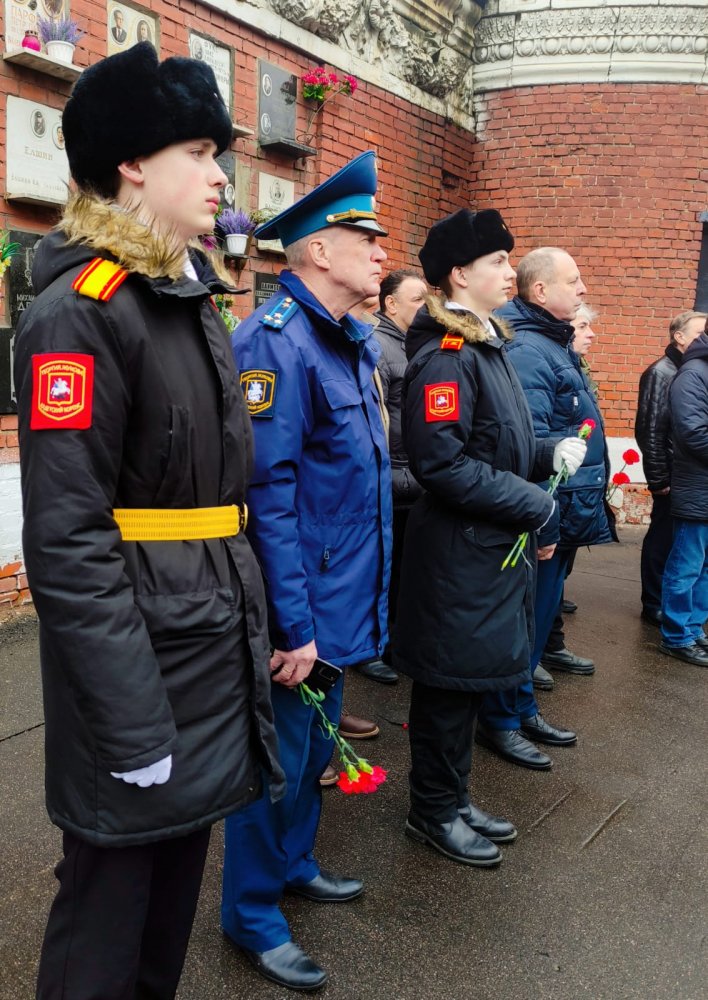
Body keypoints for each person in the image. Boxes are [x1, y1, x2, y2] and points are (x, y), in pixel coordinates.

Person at [13, 42, 283, 1000]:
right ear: (132, 163)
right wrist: (130, 722)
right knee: (105, 928)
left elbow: (215, 503)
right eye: (199, 153)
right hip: (143, 666)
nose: (222, 177)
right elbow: (69, 539)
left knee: (164, 926)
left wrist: (259, 629)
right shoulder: (83, 312)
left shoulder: (182, 291)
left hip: (204, 641)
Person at [221, 151, 392, 992]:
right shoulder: (275, 340)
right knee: (278, 760)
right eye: (366, 238)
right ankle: (251, 914)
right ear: (319, 250)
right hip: (304, 605)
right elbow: (267, 497)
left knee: (316, 747)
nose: (382, 252)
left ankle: (293, 865)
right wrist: (291, 625)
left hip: (339, 594)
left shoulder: (343, 338)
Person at [393, 208, 586, 866]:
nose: (510, 271)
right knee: (447, 688)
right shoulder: (447, 357)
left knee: (468, 683)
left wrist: (548, 452)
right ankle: (432, 809)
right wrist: (532, 500)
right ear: (459, 274)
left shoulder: (485, 344)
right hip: (458, 552)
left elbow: (498, 442)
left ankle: (454, 797)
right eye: (498, 262)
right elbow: (441, 463)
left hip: (483, 549)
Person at [477, 248, 613, 771]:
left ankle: (521, 708)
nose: (583, 290)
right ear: (540, 291)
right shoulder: (532, 350)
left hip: (563, 506)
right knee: (524, 622)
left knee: (536, 619)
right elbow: (526, 447)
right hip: (546, 512)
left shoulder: (549, 343)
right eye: (573, 281)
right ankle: (502, 719)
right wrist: (544, 519)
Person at [358, 268, 429, 686]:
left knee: (403, 571)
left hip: (412, 478)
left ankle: (392, 642)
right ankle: (371, 649)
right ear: (391, 304)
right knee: (380, 571)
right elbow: (378, 420)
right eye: (418, 299)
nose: (426, 306)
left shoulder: (412, 343)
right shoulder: (377, 345)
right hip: (393, 479)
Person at [538, 301, 599, 690]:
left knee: (558, 582)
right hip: (557, 491)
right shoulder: (548, 362)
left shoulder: (576, 365)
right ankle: (532, 656)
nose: (590, 334)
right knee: (543, 585)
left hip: (576, 490)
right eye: (582, 326)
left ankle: (551, 643)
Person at [635, 310, 707, 626]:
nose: (703, 339)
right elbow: (649, 429)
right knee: (663, 540)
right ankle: (653, 602)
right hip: (672, 475)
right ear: (679, 337)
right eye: (699, 333)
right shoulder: (661, 372)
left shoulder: (685, 369)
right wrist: (659, 478)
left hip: (683, 474)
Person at [659, 329, 708, 665]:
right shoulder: (693, 374)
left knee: (704, 568)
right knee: (686, 566)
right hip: (697, 489)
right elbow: (693, 433)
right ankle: (677, 636)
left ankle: (693, 627)